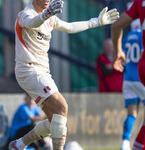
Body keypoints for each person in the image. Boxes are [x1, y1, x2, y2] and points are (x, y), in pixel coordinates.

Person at [9, 0, 119, 150]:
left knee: (54, 120)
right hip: (29, 70)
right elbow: (32, 23)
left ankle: (20, 144)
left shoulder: (50, 18)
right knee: (62, 107)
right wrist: (46, 14)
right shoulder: (25, 15)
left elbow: (70, 27)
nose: (48, 0)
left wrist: (96, 21)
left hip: (41, 72)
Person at [111, 0, 145, 149]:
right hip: (139, 80)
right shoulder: (140, 34)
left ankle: (125, 143)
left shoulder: (130, 35)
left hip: (130, 77)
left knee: (132, 113)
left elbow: (116, 27)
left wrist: (118, 52)